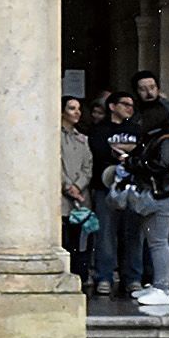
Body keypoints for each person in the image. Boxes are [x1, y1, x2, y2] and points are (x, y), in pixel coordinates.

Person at [118, 101, 169, 309]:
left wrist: (132, 163)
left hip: (164, 195)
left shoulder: (167, 139)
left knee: (159, 242)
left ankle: (163, 288)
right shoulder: (156, 138)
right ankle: (158, 285)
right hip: (160, 194)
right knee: (155, 241)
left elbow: (162, 165)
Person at [89, 90, 142, 296]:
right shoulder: (99, 129)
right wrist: (127, 149)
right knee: (105, 235)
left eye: (131, 105)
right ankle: (104, 277)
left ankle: (133, 278)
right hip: (106, 187)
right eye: (125, 104)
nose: (129, 108)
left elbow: (141, 151)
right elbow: (101, 152)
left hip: (133, 186)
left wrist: (120, 148)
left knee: (133, 234)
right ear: (112, 106)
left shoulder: (137, 129)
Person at [59, 95, 94, 282]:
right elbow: (54, 164)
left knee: (79, 240)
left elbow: (88, 167)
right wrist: (67, 186)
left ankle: (80, 275)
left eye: (79, 108)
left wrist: (78, 186)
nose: (77, 112)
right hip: (62, 198)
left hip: (80, 198)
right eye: (72, 108)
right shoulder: (54, 137)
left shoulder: (83, 139)